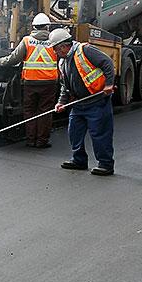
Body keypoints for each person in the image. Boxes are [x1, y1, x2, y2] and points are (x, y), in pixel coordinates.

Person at [50, 28, 116, 176]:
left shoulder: (85, 50)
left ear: (63, 46)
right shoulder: (63, 62)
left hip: (97, 101)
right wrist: (61, 102)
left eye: (55, 48)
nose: (54, 52)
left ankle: (105, 164)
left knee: (99, 134)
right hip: (78, 103)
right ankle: (79, 160)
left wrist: (109, 84)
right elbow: (64, 86)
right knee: (74, 132)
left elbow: (108, 63)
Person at [0, 13, 59, 148]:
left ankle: (30, 140)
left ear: (33, 26)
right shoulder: (54, 41)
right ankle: (41, 141)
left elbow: (13, 59)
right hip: (49, 83)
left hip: (30, 83)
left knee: (30, 111)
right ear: (47, 27)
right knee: (45, 112)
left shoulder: (27, 40)